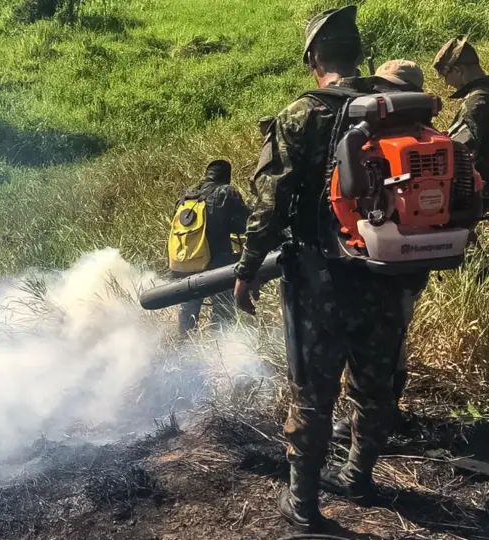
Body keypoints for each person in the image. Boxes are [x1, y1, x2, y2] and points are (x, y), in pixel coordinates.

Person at [232, 5, 408, 530]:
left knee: (312, 392)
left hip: (320, 282)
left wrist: (246, 271)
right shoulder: (398, 106)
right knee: (375, 384)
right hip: (389, 276)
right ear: (357, 54)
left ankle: (303, 506)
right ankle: (358, 474)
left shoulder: (301, 115)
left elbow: (270, 205)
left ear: (314, 59)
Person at [331, 59, 429, 441]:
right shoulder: (429, 135)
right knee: (396, 336)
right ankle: (383, 413)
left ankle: (372, 423)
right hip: (417, 260)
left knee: (374, 343)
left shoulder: (381, 140)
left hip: (382, 261)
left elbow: (353, 192)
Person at [168, 159, 250, 336]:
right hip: (216, 263)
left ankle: (184, 351)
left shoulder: (186, 195)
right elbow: (245, 225)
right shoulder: (226, 192)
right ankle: (218, 348)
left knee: (188, 311)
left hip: (185, 263)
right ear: (226, 176)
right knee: (223, 309)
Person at [434, 36, 489, 207]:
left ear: (457, 70)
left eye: (445, 76)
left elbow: (458, 149)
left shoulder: (476, 104)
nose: (446, 83)